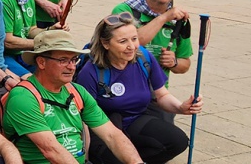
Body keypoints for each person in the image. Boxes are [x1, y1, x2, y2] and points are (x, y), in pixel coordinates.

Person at [75, 13, 203, 164]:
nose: (131, 46)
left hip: (135, 119)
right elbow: (82, 119)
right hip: (103, 128)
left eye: (134, 39)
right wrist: (85, 158)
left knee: (177, 141)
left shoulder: (144, 58)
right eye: (123, 41)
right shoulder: (90, 72)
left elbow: (161, 95)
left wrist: (181, 107)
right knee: (117, 159)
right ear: (105, 43)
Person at [2, 29, 143, 164]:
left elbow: (112, 135)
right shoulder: (23, 97)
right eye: (63, 60)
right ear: (41, 62)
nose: (71, 67)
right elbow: (51, 150)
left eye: (74, 60)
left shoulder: (77, 91)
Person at [110, 0, 194, 122]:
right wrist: (163, 17)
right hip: (122, 92)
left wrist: (174, 62)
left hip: (157, 95)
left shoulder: (179, 21)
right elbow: (134, 42)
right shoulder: (124, 10)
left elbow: (185, 64)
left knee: (170, 140)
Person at [0, 0, 38, 77]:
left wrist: (50, 31)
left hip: (22, 53)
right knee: (31, 82)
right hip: (4, 55)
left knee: (51, 71)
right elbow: (8, 42)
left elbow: (31, 30)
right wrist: (44, 42)